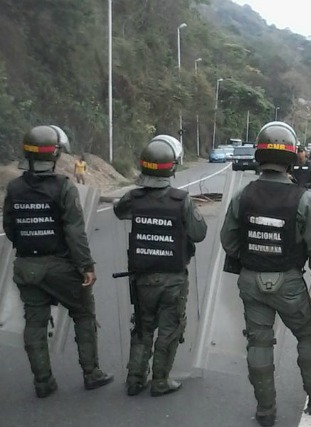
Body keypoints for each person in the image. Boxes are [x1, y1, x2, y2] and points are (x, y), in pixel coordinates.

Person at [220, 121, 311, 427]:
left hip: (251, 282)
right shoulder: (304, 198)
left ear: (260, 154)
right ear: (291, 157)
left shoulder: (242, 195)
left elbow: (228, 240)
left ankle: (265, 411)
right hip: (289, 283)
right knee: (308, 336)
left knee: (258, 343)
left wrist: (250, 257)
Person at [3, 125, 113, 398]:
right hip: (60, 267)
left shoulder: (14, 188)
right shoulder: (64, 187)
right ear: (54, 155)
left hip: (27, 267)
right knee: (84, 312)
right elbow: (74, 232)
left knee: (35, 322)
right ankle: (92, 373)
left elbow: (10, 227)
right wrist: (86, 266)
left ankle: (43, 382)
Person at [113, 135, 207, 397]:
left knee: (143, 326)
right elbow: (199, 233)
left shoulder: (134, 198)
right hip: (173, 279)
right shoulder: (181, 200)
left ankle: (134, 379)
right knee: (170, 327)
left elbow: (119, 211)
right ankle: (160, 381)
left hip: (142, 278)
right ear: (172, 167)